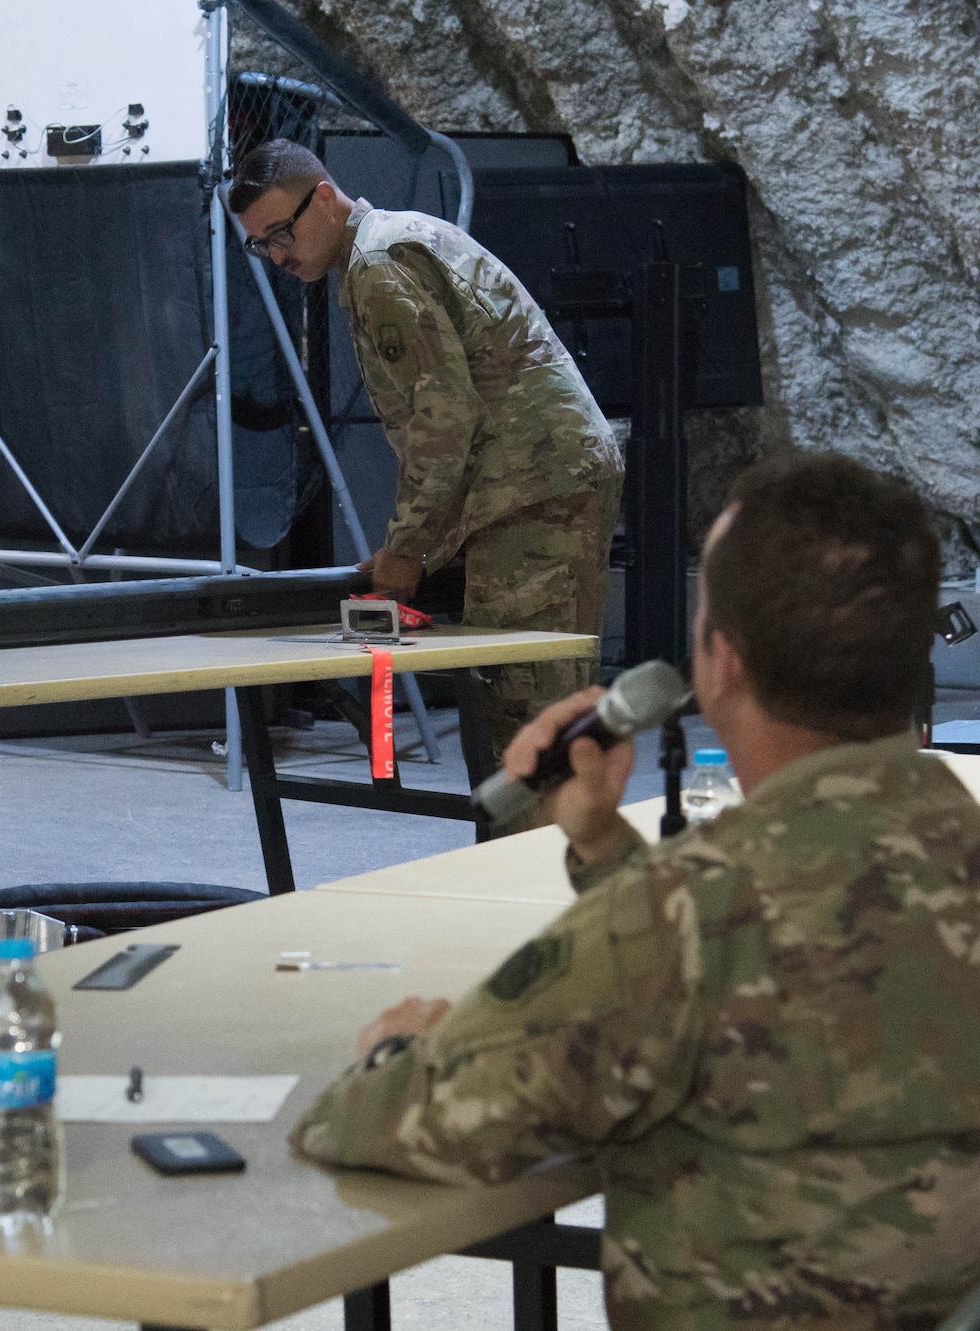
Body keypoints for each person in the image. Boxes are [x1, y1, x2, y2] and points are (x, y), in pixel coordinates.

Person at [295, 453, 980, 1328]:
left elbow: (386, 1123)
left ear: (721, 663)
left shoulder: (683, 916)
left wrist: (401, 1051)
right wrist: (604, 846)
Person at [230, 140, 623, 820]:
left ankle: (536, 903)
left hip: (533, 494)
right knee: (538, 713)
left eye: (282, 233)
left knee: (524, 720)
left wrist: (406, 550)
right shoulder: (391, 241)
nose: (279, 256)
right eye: (261, 246)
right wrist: (407, 549)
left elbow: (445, 422)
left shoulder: (379, 265)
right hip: (534, 483)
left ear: (324, 197)